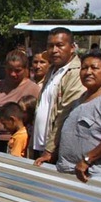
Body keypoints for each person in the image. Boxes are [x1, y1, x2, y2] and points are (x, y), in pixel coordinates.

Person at [55, 49, 101, 182]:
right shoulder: (80, 99)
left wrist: (87, 160)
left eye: (94, 68)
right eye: (84, 68)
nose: (88, 72)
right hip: (71, 173)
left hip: (94, 175)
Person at [33, 27, 86, 164]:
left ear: (72, 47)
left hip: (56, 151)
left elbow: (65, 113)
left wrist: (50, 150)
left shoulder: (75, 72)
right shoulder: (52, 70)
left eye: (60, 45)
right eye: (50, 46)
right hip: (41, 146)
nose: (54, 50)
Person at [0, 49, 41, 152]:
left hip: (16, 141)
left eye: (17, 70)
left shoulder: (34, 89)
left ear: (26, 69)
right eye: (9, 69)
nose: (13, 74)